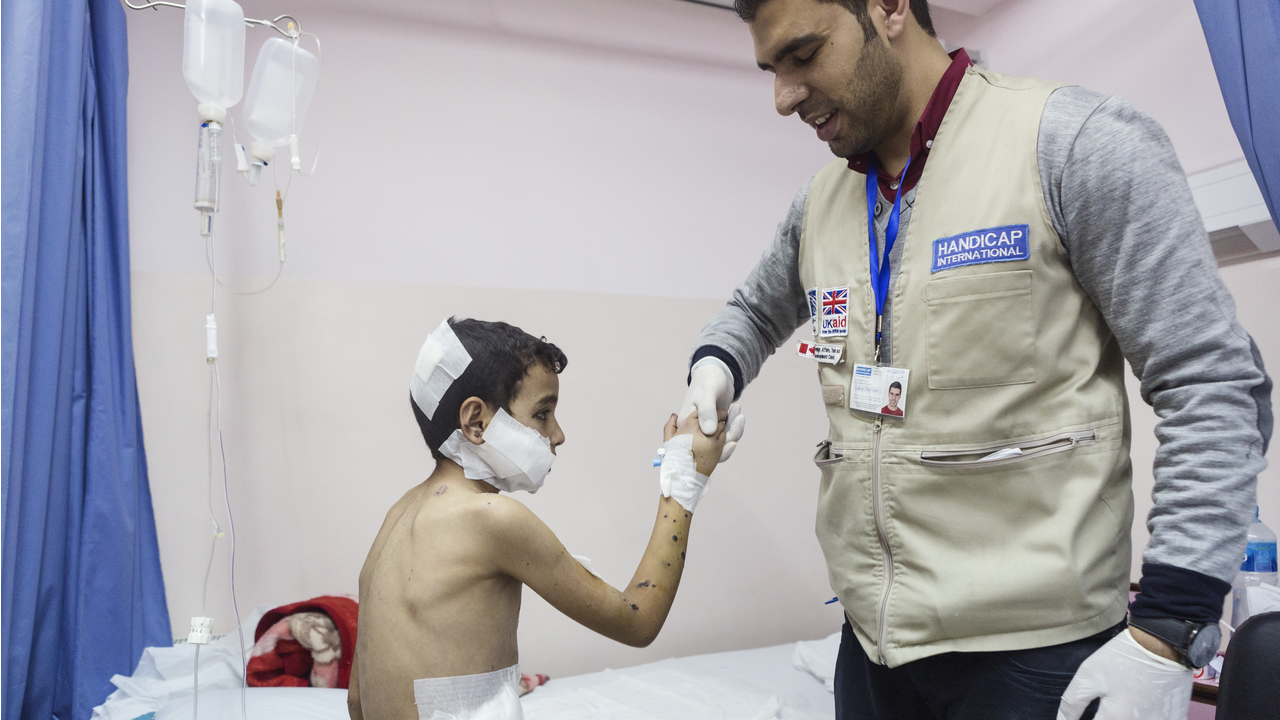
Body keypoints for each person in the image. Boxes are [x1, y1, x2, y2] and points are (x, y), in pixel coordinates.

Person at [677, 1, 1273, 719]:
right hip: (871, 652)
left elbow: (1212, 384)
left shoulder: (1072, 143)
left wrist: (1170, 627)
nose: (783, 97)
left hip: (1037, 658)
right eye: (772, 69)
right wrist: (715, 366)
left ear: (890, 8)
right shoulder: (823, 202)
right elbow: (751, 310)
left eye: (803, 55)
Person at [350, 318, 726, 720]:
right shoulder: (490, 519)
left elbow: (357, 700)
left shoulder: (397, 516)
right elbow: (637, 620)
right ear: (475, 422)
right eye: (543, 413)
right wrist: (684, 476)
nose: (558, 434)